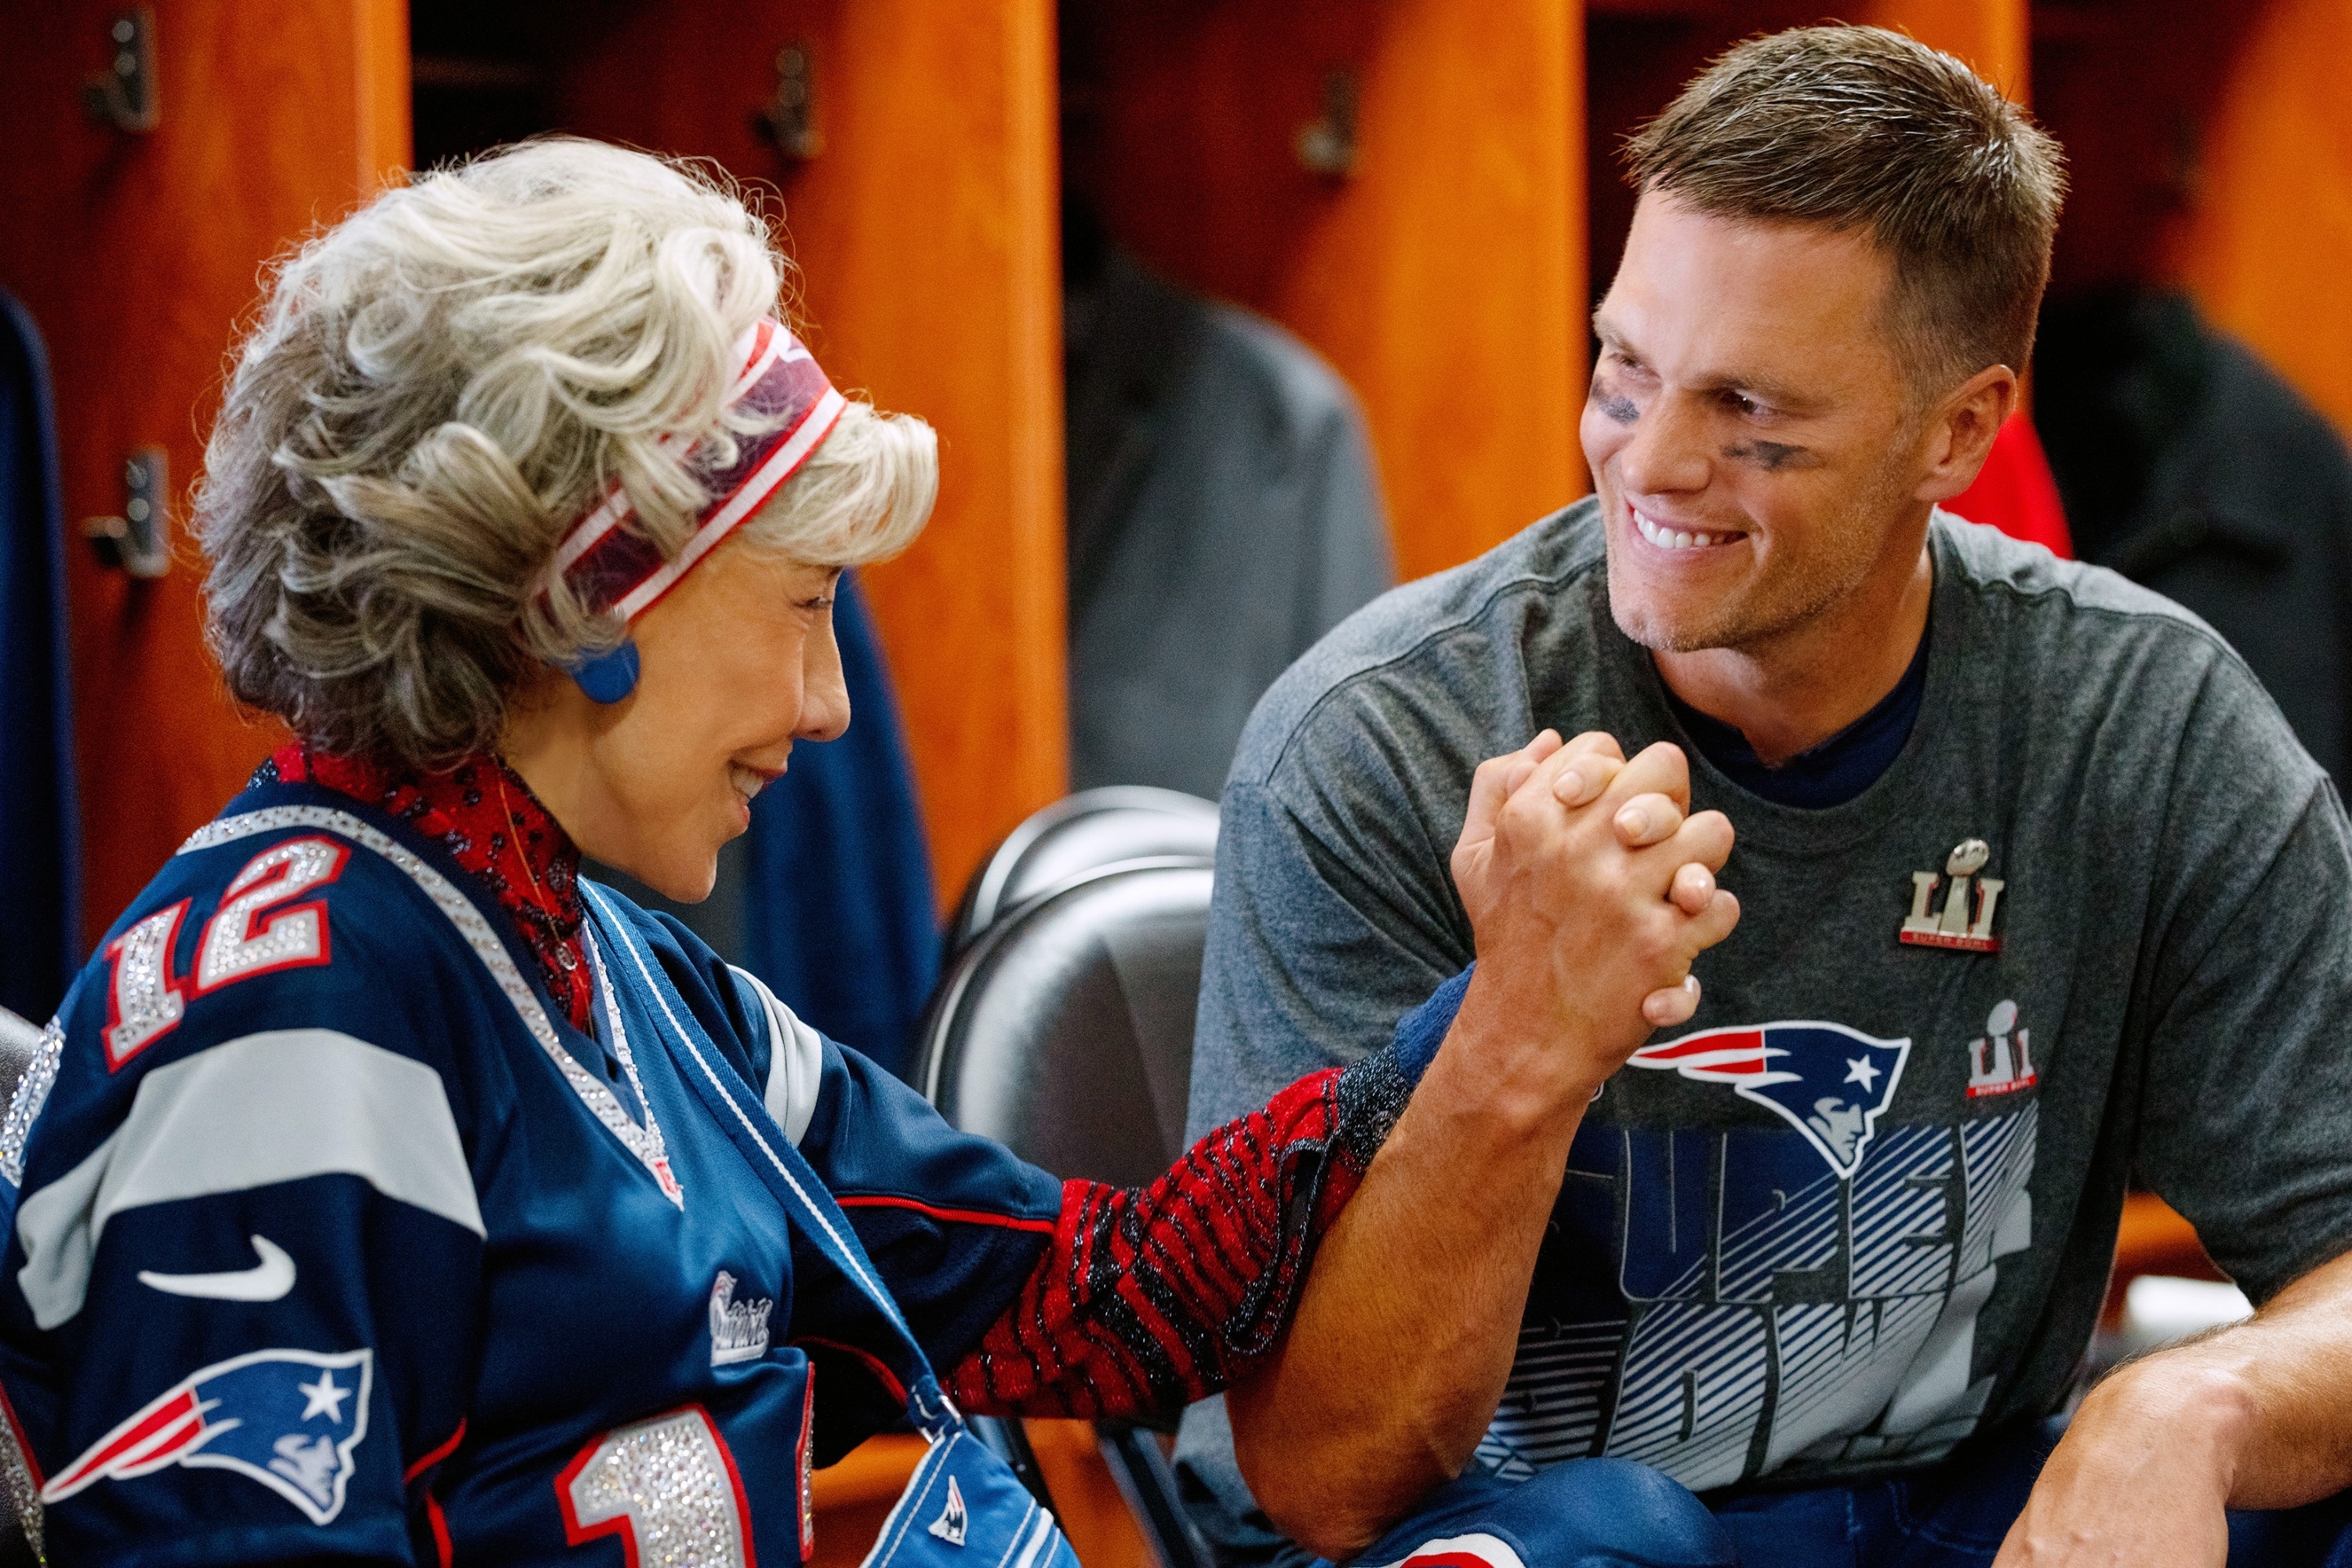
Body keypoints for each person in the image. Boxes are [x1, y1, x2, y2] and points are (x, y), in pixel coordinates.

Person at [0, 140, 1737, 1567]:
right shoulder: (289, 1010)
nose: (833, 705)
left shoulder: (598, 950)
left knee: (1612, 1533)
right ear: (591, 595)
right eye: (810, 605)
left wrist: (1505, 996)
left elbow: (1091, 1299)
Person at [1178, 25, 2352, 1568]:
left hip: (1943, 1513)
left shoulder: (2137, 720)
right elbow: (1323, 1480)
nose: (1650, 463)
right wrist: (1517, 1032)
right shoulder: (1391, 737)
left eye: (1753, 416)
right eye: (1624, 369)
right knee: (1618, 1540)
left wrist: (2186, 1410)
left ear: (1961, 430)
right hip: (1521, 1535)